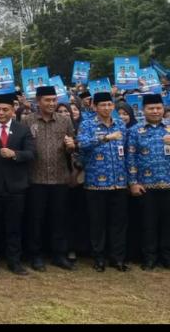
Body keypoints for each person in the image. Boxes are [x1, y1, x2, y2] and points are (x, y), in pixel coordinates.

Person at [0, 92, 36, 276]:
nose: (1, 113)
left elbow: (32, 153)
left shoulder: (22, 130)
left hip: (16, 186)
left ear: (13, 110)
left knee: (14, 227)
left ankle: (14, 262)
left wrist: (14, 154)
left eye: (5, 110)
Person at [22, 86, 77, 271]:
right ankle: (36, 255)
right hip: (35, 178)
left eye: (54, 100)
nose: (52, 103)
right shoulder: (27, 120)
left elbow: (73, 149)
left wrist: (71, 145)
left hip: (59, 178)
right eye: (47, 100)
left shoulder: (65, 120)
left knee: (59, 219)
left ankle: (59, 255)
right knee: (35, 219)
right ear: (38, 101)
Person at [76, 92, 130, 272]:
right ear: (94, 107)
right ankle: (99, 258)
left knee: (118, 223)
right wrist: (105, 138)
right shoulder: (87, 124)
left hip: (119, 182)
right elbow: (82, 144)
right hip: (96, 183)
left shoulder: (121, 125)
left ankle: (117, 258)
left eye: (109, 104)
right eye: (103, 105)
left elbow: (128, 152)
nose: (107, 108)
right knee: (97, 223)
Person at [126, 93, 170, 270]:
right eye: (151, 108)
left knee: (168, 224)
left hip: (168, 184)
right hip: (146, 186)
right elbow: (130, 158)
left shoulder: (169, 129)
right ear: (143, 110)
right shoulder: (135, 131)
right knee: (148, 224)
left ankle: (166, 256)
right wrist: (133, 182)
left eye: (158, 108)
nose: (155, 111)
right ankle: (149, 257)